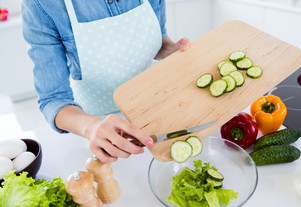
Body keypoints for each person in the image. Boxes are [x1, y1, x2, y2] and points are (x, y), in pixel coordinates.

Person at [21, 0, 190, 163]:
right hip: (100, 132)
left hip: (153, 109)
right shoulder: (41, 4)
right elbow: (53, 99)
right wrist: (92, 127)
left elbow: (159, 39)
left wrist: (171, 51)